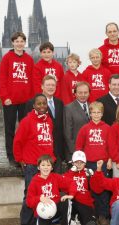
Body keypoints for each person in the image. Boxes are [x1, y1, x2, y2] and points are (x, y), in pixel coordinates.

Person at [13, 94, 55, 225]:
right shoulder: (26, 121)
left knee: (44, 194)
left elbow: (50, 140)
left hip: (47, 166)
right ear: (34, 106)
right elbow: (17, 142)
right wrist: (20, 159)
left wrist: (52, 157)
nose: (42, 106)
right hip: (32, 165)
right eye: (39, 104)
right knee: (30, 197)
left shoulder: (49, 120)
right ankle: (26, 222)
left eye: (44, 103)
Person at [0, 31, 34, 163]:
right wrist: (4, 97)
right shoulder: (7, 58)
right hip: (10, 101)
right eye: (17, 41)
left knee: (25, 130)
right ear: (12, 43)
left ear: (25, 43)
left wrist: (32, 99)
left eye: (22, 41)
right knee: (10, 129)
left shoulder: (29, 59)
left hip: (26, 101)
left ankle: (24, 154)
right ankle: (11, 156)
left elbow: (32, 80)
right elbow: (2, 79)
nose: (19, 44)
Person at [75, 101, 112, 225]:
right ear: (90, 114)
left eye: (98, 112)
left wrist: (110, 160)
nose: (96, 115)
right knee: (91, 190)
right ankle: (93, 215)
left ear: (102, 114)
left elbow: (111, 146)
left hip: (103, 163)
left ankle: (104, 215)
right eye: (93, 112)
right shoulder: (84, 129)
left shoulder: (107, 128)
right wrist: (81, 163)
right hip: (89, 164)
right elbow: (79, 147)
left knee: (104, 190)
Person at [25, 75, 65, 173]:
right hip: (39, 153)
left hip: (57, 152)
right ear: (42, 86)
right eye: (48, 85)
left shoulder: (59, 103)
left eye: (53, 85)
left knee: (55, 184)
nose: (51, 87)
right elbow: (26, 129)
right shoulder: (32, 103)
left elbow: (61, 127)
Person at [26, 155, 76, 225]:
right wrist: (39, 198)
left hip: (56, 208)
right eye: (43, 165)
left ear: (52, 168)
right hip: (43, 211)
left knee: (65, 200)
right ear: (38, 167)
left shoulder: (55, 177)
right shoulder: (34, 181)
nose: (46, 167)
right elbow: (29, 201)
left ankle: (66, 223)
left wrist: (71, 194)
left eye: (48, 165)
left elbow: (71, 182)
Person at [62, 151, 98, 225]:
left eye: (81, 162)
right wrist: (71, 172)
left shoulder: (88, 173)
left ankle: (80, 219)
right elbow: (63, 186)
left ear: (85, 163)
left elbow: (96, 188)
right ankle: (74, 219)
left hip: (85, 202)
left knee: (90, 222)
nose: (79, 164)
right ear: (72, 163)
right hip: (72, 201)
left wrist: (93, 176)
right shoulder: (68, 173)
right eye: (76, 162)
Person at [63, 81, 91, 161]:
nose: (83, 95)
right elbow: (68, 134)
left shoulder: (92, 106)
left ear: (89, 93)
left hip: (90, 150)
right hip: (76, 152)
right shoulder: (68, 108)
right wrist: (75, 153)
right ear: (75, 94)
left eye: (85, 92)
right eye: (80, 93)